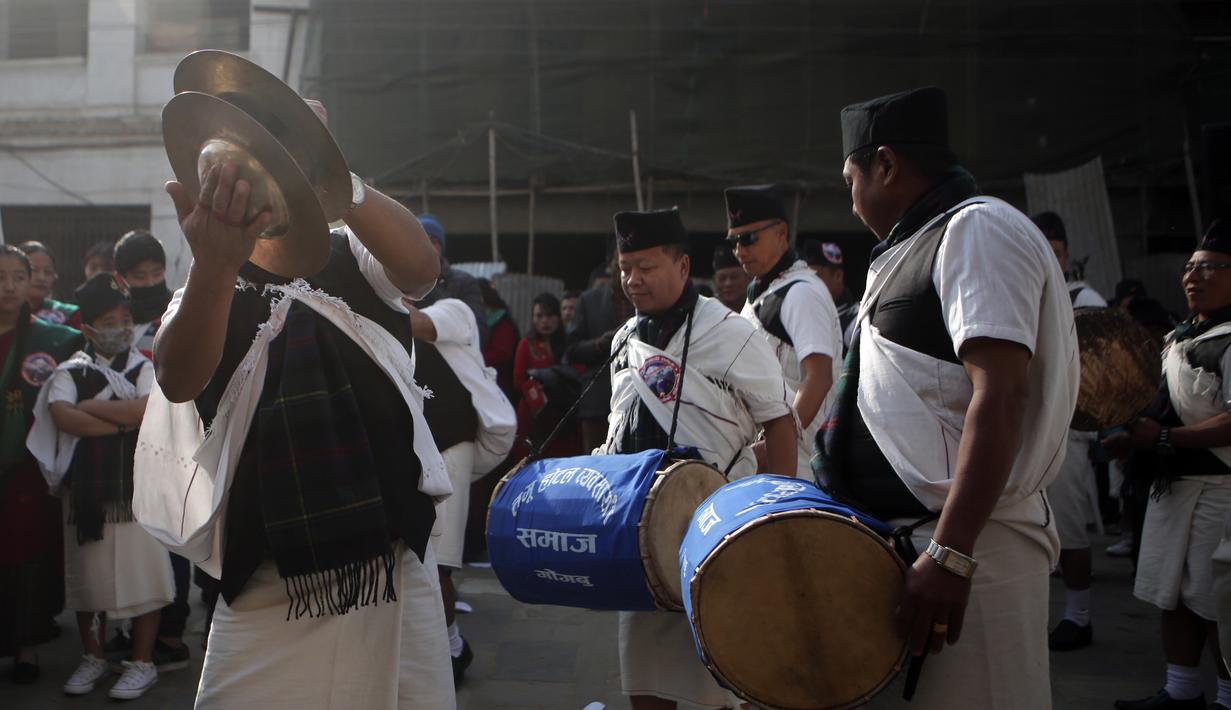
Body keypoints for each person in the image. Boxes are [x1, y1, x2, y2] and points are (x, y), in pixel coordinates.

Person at [138, 101, 455, 707]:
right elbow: (177, 379)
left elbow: (420, 268)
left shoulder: (351, 253)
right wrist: (214, 264)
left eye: (283, 154)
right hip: (265, 572)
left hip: (390, 554)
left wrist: (335, 179)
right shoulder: (204, 283)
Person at [817, 87, 1078, 709]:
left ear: (886, 165)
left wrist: (953, 553)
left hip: (970, 553)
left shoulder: (977, 228)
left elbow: (1003, 392)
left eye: (850, 179)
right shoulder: (912, 244)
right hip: (913, 549)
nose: (851, 203)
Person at [600, 207, 797, 710]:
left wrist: (777, 512)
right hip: (641, 534)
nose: (633, 280)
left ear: (683, 267)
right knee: (644, 682)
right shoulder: (627, 338)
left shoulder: (730, 332)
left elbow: (778, 419)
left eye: (646, 267)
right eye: (625, 268)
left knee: (721, 683)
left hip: (715, 527)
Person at [27, 273, 174, 699]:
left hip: (136, 493)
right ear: (88, 329)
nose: (120, 328)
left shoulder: (146, 366)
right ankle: (93, 656)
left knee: (144, 577)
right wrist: (120, 423)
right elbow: (63, 418)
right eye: (109, 320)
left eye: (125, 318)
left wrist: (92, 409)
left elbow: (147, 410)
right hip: (87, 498)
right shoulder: (70, 371)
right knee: (90, 580)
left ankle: (142, 662)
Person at [1105, 220, 1231, 710]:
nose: (1193, 277)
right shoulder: (1180, 337)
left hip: (1219, 489)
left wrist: (1163, 437)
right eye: (1190, 268)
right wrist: (1131, 438)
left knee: (1218, 601)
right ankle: (1181, 691)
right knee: (1173, 593)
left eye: (1210, 268)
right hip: (1174, 485)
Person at [0, 244, 83, 683]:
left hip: (29, 467)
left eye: (17, 276)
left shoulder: (53, 341)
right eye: (0, 278)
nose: (9, 286)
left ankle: (27, 646)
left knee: (26, 552)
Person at [1032, 210, 1108, 652]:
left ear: (1065, 255)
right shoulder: (1016, 289)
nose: (1047, 256)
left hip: (1067, 425)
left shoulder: (1085, 298)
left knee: (1071, 525)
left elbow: (1106, 371)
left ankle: (1079, 617)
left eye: (1055, 250)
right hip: (1023, 422)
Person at [727, 184, 842, 477]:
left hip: (800, 461)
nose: (740, 250)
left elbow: (819, 377)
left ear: (780, 233)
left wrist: (778, 445)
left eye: (749, 238)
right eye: (734, 242)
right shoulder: (762, 291)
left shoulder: (802, 293)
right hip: (763, 453)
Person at [405, 301, 480, 685]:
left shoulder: (453, 309)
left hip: (451, 446)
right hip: (415, 450)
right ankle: (446, 648)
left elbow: (418, 323)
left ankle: (451, 652)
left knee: (439, 566)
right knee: (419, 562)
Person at [566, 250, 635, 453]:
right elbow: (571, 350)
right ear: (611, 265)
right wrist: (600, 343)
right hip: (596, 402)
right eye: (621, 267)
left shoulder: (647, 298)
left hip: (636, 401)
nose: (625, 274)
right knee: (595, 468)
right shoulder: (589, 300)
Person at [515, 293, 581, 457]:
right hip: (534, 415)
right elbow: (518, 380)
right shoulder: (526, 344)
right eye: (539, 316)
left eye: (549, 315)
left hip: (564, 415)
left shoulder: (569, 344)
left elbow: (578, 374)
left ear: (558, 317)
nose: (544, 321)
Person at [416, 214, 488, 348]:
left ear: (442, 247)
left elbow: (478, 332)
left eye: (433, 240)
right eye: (421, 239)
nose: (427, 246)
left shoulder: (465, 283)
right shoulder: (399, 282)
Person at [112, 230, 171, 358]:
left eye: (157, 274)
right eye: (140, 276)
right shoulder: (111, 323)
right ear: (120, 280)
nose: (150, 283)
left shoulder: (177, 313)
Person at [802, 240, 858, 351]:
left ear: (838, 276)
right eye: (805, 278)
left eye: (816, 277)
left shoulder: (856, 321)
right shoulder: (802, 316)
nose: (809, 284)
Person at [18, 241, 79, 326]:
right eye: (34, 270)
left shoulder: (70, 314)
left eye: (48, 272)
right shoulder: (5, 315)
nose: (41, 277)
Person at [710, 242, 751, 313]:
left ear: (748, 277)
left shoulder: (759, 308)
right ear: (714, 280)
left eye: (734, 277)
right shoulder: (708, 314)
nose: (728, 284)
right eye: (722, 278)